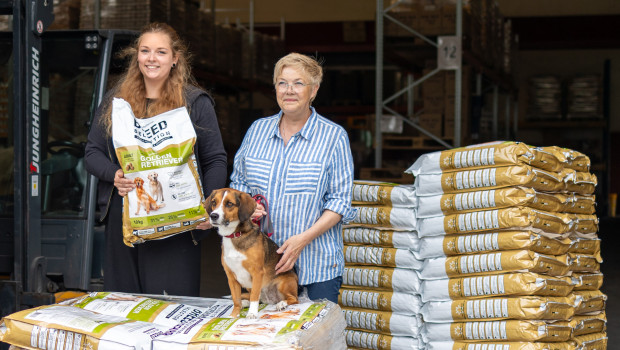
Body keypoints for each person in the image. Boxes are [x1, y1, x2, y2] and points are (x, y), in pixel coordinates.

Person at [84, 22, 227, 296]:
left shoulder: (195, 102)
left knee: (170, 310)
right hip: (126, 222)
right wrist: (113, 173)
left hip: (178, 224)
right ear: (136, 56)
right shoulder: (117, 101)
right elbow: (92, 152)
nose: (151, 58)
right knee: (124, 308)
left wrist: (208, 207)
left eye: (160, 52)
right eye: (145, 51)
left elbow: (216, 159)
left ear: (175, 59)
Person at [229, 53, 356, 303]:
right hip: (261, 266)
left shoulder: (334, 137)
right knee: (265, 337)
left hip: (315, 266)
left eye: (298, 83)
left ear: (314, 90)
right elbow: (238, 184)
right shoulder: (257, 130)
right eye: (282, 83)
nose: (289, 91)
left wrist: (302, 240)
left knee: (312, 339)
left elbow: (340, 202)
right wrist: (247, 208)